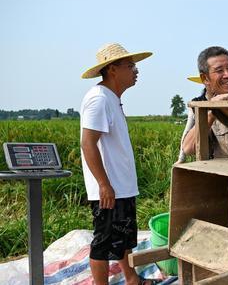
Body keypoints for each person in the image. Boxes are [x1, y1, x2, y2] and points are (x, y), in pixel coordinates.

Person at [80, 43, 152, 285]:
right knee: (103, 242)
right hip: (109, 190)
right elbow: (88, 143)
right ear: (112, 69)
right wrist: (103, 184)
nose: (136, 71)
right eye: (130, 66)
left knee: (124, 237)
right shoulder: (98, 99)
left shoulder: (112, 99)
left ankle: (132, 279)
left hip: (121, 187)